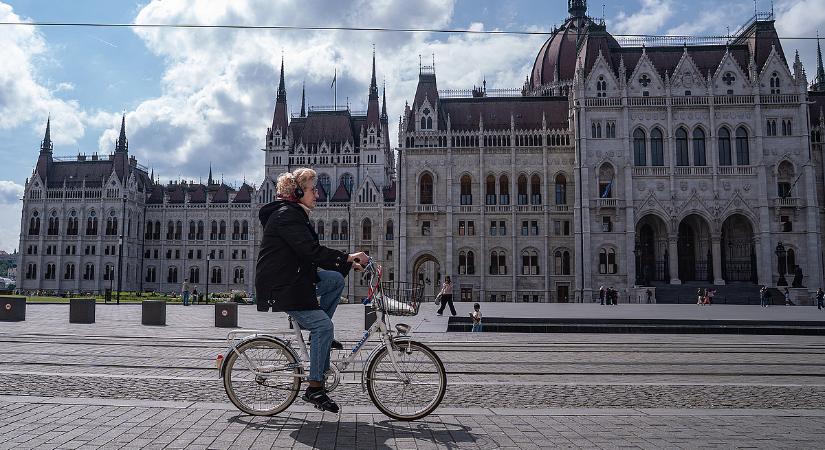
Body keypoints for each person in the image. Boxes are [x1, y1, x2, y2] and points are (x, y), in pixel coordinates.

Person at [255, 168, 368, 414]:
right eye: (312, 189)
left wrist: (347, 263)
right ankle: (315, 387)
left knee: (335, 281)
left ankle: (317, 337)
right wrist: (348, 256)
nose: (318, 194)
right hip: (284, 284)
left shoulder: (295, 214)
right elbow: (310, 251)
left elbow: (311, 253)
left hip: (295, 276)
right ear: (297, 192)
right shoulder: (287, 215)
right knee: (323, 327)